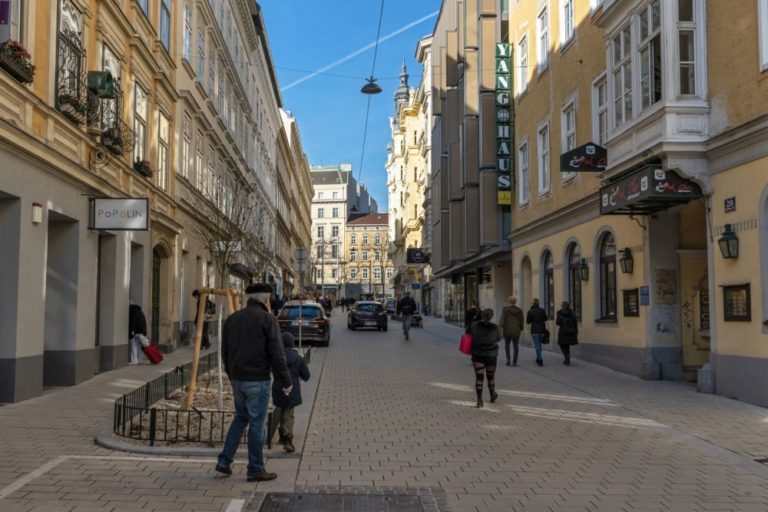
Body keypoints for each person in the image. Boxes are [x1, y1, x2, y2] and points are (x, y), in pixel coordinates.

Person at [215, 283, 292, 482]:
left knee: (240, 419)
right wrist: (285, 380)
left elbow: (225, 351)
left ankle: (224, 461)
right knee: (257, 424)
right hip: (257, 379)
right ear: (264, 298)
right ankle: (256, 469)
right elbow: (277, 352)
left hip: (238, 379)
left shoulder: (232, 319)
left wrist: (231, 374)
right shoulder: (267, 320)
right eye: (269, 297)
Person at [272, 332, 310, 453]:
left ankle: (282, 435)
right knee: (289, 412)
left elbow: (272, 370)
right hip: (292, 389)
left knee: (281, 409)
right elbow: (306, 375)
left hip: (278, 387)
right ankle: (288, 439)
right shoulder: (298, 358)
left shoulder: (277, 357)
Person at [469, 309, 502, 408]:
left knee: (479, 378)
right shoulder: (495, 327)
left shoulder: (475, 326)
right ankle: (492, 395)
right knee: (490, 376)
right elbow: (499, 338)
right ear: (491, 316)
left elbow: (471, 335)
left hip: (478, 355)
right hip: (491, 355)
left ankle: (479, 401)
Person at [499, 296, 524, 366]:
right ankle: (514, 361)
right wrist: (521, 328)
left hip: (507, 330)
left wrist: (500, 327)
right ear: (515, 302)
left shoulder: (505, 310)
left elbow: (502, 320)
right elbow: (522, 320)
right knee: (515, 345)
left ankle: (508, 359)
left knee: (507, 344)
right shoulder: (519, 310)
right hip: (516, 330)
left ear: (509, 302)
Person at [556, 301, 579, 365]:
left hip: (563, 331)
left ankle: (566, 356)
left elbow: (557, 323)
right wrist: (576, 331)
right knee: (567, 345)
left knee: (562, 344)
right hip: (571, 331)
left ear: (563, 306)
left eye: (562, 305)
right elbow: (575, 322)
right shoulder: (572, 313)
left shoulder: (559, 313)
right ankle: (567, 357)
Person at [526, 298, 548, 366]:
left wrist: (533, 319)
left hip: (535, 330)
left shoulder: (530, 311)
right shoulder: (542, 310)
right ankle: (538, 358)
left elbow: (528, 321)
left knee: (537, 345)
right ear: (538, 303)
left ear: (532, 303)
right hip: (542, 330)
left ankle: (540, 359)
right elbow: (545, 319)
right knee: (539, 344)